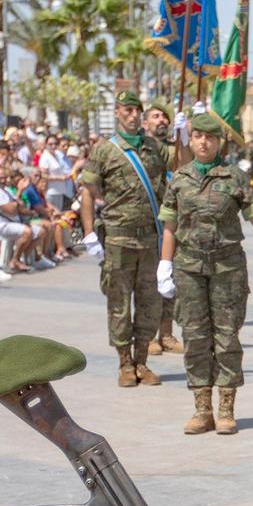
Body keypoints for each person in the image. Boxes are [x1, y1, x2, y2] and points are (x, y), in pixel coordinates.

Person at [155, 108, 253, 435]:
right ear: (191, 138)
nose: (204, 142)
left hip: (227, 268)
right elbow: (170, 226)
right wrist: (165, 264)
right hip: (189, 268)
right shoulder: (179, 179)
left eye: (210, 137)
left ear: (219, 142)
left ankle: (226, 408)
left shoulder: (235, 177)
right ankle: (201, 409)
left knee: (226, 337)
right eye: (198, 136)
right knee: (195, 337)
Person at [79, 93, 169, 388]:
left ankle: (142, 361)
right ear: (117, 113)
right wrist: (89, 232)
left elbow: (181, 163)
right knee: (119, 304)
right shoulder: (104, 150)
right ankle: (124, 363)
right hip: (118, 239)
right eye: (127, 110)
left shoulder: (154, 148)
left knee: (149, 303)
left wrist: (182, 131)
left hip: (150, 241)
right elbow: (88, 192)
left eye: (136, 110)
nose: (133, 115)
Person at [143, 103, 184, 353]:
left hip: (171, 222)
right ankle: (147, 336)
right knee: (147, 282)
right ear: (145, 123)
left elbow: (185, 165)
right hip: (147, 222)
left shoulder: (173, 149)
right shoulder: (139, 149)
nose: (162, 120)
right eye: (156, 116)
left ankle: (167, 334)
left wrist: (186, 135)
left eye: (165, 117)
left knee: (171, 277)